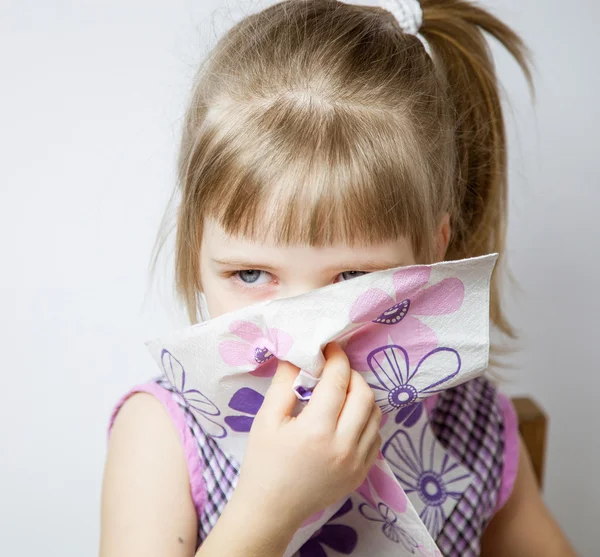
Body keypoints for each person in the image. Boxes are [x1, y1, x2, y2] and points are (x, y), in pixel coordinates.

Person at [99, 1, 578, 555]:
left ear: (431, 252)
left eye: (352, 278)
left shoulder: (472, 425)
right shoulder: (161, 434)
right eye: (251, 273)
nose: (306, 341)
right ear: (194, 251)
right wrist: (268, 509)